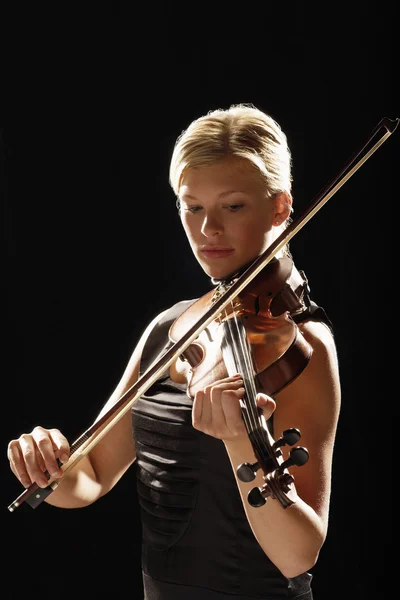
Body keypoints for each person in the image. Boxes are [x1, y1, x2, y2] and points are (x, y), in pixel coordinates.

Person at [7, 103, 341, 599]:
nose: (208, 229)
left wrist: (239, 441)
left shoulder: (304, 346)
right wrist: (49, 465)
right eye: (192, 206)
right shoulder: (171, 328)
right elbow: (92, 477)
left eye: (232, 206)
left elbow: (299, 554)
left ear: (279, 207)